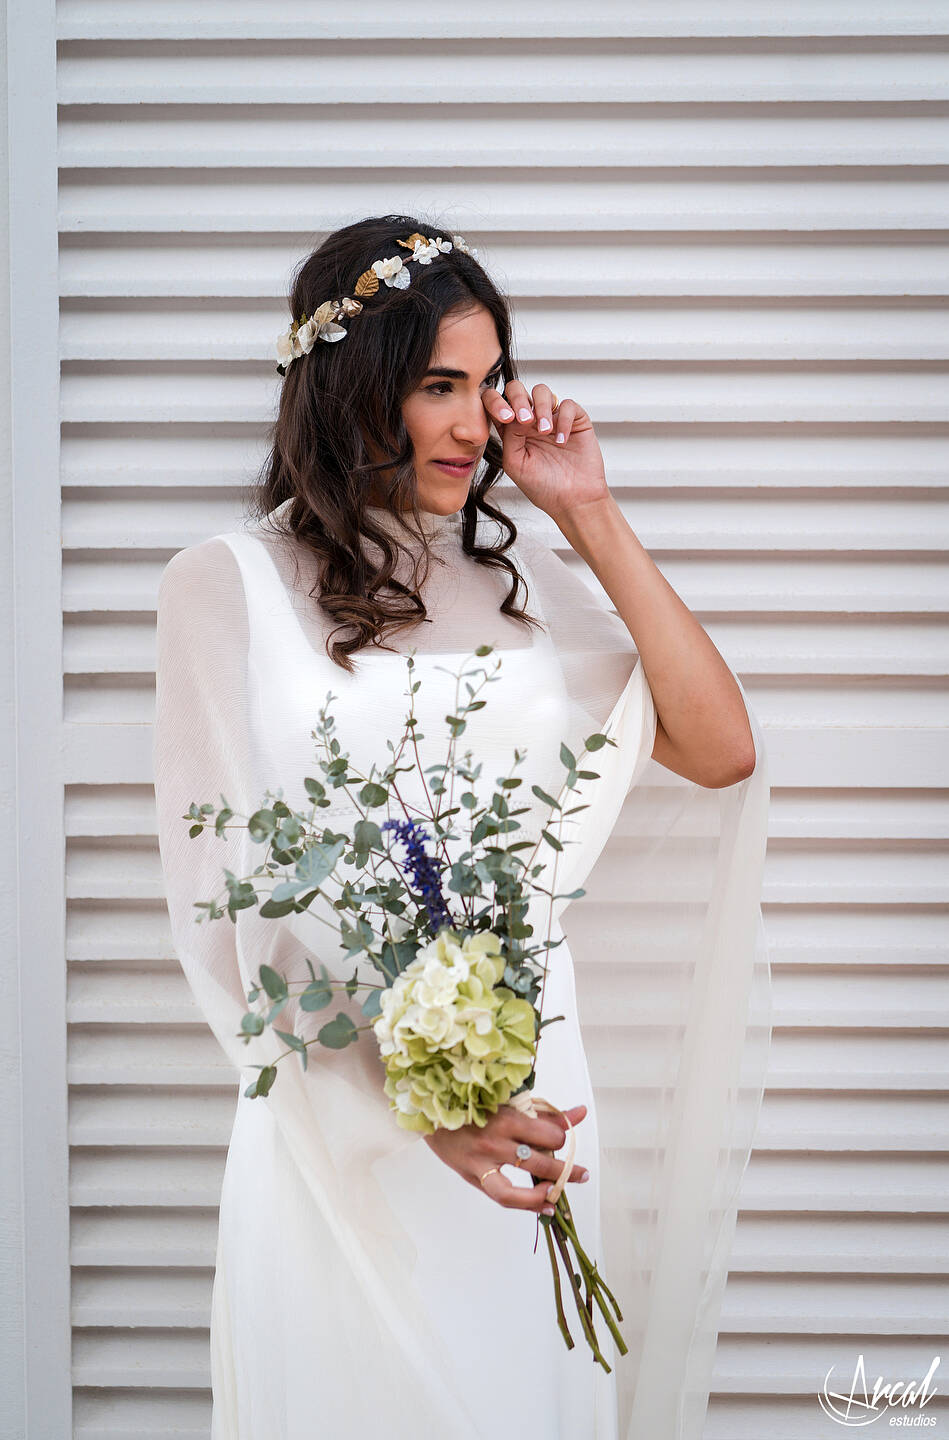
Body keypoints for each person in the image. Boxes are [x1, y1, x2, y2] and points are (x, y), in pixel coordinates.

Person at [153, 214, 771, 1439]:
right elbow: (223, 923)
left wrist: (587, 513)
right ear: (350, 384)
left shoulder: (524, 580)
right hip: (346, 1116)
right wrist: (419, 1100)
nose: (476, 421)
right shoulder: (224, 585)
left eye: (490, 383)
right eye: (440, 385)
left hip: (534, 1109)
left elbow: (719, 748)